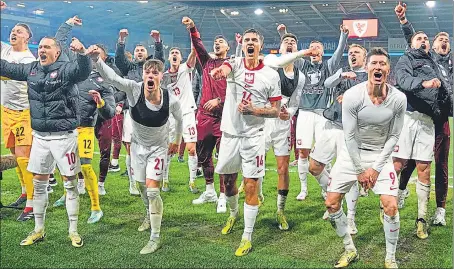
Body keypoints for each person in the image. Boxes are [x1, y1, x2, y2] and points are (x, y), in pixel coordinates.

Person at [87, 46, 183, 254]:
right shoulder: (133, 88)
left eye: (155, 73)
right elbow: (112, 78)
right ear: (143, 74)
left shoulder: (170, 99)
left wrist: (176, 141)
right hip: (138, 147)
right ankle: (148, 214)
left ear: (161, 76)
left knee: (153, 190)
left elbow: (180, 119)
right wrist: (97, 61)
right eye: (147, 72)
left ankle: (155, 237)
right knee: (141, 187)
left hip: (158, 148)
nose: (150, 75)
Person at [1, 35, 92, 247]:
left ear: (56, 52)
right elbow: (6, 68)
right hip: (40, 137)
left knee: (70, 186)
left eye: (47, 47)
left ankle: (73, 231)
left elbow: (83, 71)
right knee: (39, 185)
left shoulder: (66, 70)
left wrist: (82, 53)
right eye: (40, 46)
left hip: (64, 138)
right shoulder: (31, 69)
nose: (42, 50)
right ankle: (38, 230)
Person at [325, 47, 406, 268]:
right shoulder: (353, 96)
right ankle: (350, 249)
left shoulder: (399, 99)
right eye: (374, 63)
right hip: (352, 155)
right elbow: (349, 136)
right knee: (331, 203)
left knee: (390, 205)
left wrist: (376, 169)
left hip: (380, 155)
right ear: (367, 67)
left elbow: (394, 135)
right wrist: (360, 170)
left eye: (382, 64)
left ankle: (390, 257)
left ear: (389, 69)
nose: (378, 67)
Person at [210, 28, 281, 256]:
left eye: (254, 41)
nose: (250, 43)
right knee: (228, 183)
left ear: (260, 45)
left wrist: (254, 110)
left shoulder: (271, 75)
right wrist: (221, 70)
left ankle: (247, 237)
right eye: (247, 40)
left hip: (254, 136)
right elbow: (226, 67)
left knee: (250, 184)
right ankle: (233, 214)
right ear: (242, 45)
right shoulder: (235, 64)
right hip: (230, 134)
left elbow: (276, 111)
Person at [51, 17, 115, 224]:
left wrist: (100, 103)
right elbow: (58, 42)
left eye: (98, 53)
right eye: (92, 50)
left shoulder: (105, 81)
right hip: (66, 126)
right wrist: (68, 24)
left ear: (102, 58)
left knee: (86, 166)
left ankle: (96, 208)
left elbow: (110, 113)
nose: (93, 53)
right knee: (65, 167)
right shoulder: (75, 67)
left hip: (86, 128)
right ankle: (67, 193)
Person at [394, 2, 452, 226]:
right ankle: (400, 191)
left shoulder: (448, 64)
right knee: (409, 160)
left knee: (441, 164)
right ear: (433, 48)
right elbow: (414, 41)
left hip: (441, 119)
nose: (443, 42)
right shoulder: (429, 59)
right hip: (423, 115)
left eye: (446, 39)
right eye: (439, 40)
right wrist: (404, 21)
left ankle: (440, 209)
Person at [278, 24, 349, 200]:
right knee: (303, 152)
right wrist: (283, 34)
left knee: (324, 154)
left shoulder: (329, 66)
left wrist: (343, 35)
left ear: (323, 52)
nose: (315, 49)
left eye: (319, 47)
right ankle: (303, 189)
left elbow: (339, 52)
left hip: (323, 115)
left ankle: (326, 187)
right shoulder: (302, 65)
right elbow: (290, 51)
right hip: (305, 114)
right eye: (313, 47)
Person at [311, 44, 369, 233]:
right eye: (350, 53)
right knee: (314, 166)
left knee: (350, 175)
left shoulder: (369, 78)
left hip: (351, 132)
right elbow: (326, 84)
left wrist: (351, 99)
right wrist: (341, 75)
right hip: (331, 125)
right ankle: (332, 193)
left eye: (357, 53)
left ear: (364, 57)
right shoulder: (342, 74)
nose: (352, 55)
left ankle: (350, 218)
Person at [261, 32, 316, 230]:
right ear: (281, 48)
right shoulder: (271, 61)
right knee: (256, 166)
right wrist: (302, 52)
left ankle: (280, 210)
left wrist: (289, 114)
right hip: (263, 121)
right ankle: (256, 195)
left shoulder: (300, 77)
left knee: (283, 169)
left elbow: (295, 102)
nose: (290, 43)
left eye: (293, 41)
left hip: (282, 125)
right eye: (286, 42)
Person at [182, 16, 230, 212]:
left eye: (221, 42)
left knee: (224, 158)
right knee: (203, 155)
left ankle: (223, 196)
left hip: (225, 117)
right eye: (215, 42)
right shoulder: (207, 63)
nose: (217, 43)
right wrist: (193, 29)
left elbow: (238, 93)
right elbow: (199, 45)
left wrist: (219, 101)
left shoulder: (233, 66)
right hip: (204, 117)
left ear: (228, 47)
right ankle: (209, 190)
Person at [112, 28, 164, 195]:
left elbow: (160, 59)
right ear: (134, 54)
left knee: (151, 147)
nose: (140, 52)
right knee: (130, 147)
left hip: (150, 113)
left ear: (146, 53)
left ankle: (152, 177)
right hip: (132, 113)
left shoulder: (151, 68)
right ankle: (133, 183)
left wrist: (157, 42)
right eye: (137, 50)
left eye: (142, 50)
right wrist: (121, 40)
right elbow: (119, 59)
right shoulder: (130, 68)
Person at [0, 1, 36, 221]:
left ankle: (32, 205)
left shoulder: (29, 61)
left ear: (27, 38)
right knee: (14, 155)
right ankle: (24, 192)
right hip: (6, 111)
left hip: (23, 112)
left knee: (24, 158)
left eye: (19, 31)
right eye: (13, 30)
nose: (14, 32)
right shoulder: (4, 50)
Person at [161, 46, 197, 192]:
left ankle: (192, 182)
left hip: (188, 113)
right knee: (169, 150)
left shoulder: (185, 68)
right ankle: (165, 180)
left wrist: (193, 40)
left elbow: (193, 54)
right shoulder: (163, 77)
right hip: (171, 116)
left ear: (181, 58)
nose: (175, 55)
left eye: (177, 53)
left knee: (192, 149)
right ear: (169, 58)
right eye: (172, 53)